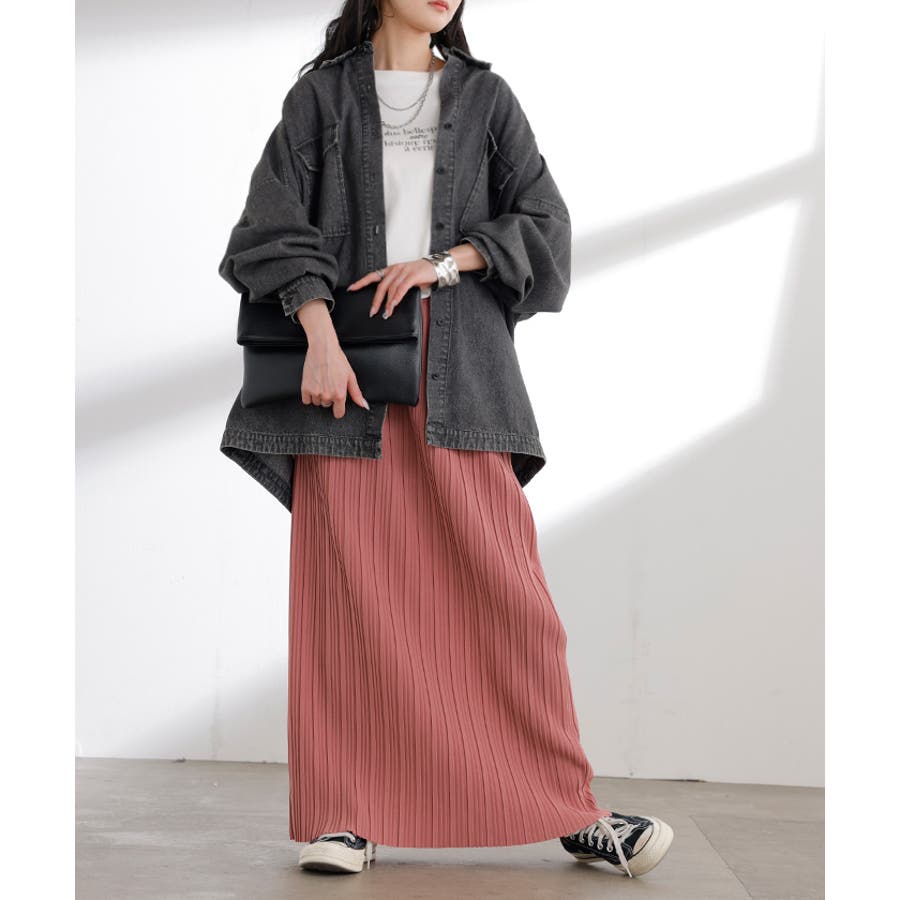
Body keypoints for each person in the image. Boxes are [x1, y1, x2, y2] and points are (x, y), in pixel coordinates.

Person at [217, 0, 675, 879]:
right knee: (348, 600)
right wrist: (318, 335)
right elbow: (268, 231)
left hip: (463, 371)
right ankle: (345, 814)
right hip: (346, 379)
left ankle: (567, 807)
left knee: (512, 607)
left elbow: (546, 227)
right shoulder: (320, 99)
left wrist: (443, 261)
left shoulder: (487, 99)